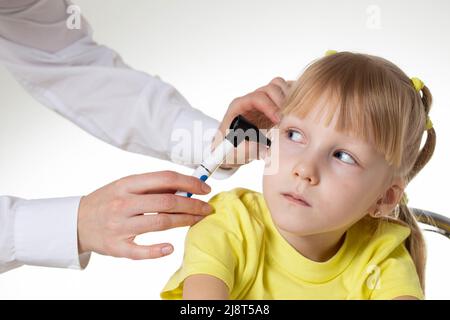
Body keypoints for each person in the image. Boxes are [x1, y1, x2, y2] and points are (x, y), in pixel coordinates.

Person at [0, 0, 289, 273]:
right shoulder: (227, 232)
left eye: (337, 153)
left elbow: (63, 62)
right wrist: (71, 224)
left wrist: (217, 145)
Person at [161, 51, 436, 300]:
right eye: (294, 135)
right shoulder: (228, 224)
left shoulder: (382, 256)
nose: (304, 169)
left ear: (384, 198)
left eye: (343, 156)